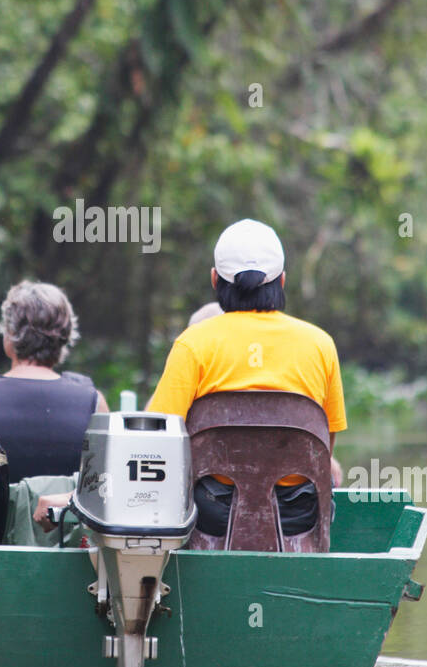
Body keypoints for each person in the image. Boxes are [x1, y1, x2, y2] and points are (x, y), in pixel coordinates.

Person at [146, 218, 346, 540]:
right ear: (282, 281)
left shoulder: (193, 344)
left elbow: (158, 439)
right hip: (297, 517)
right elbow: (324, 446)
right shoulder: (320, 344)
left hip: (211, 516)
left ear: (215, 280)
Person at [0, 280, 109, 481]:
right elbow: (106, 485)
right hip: (65, 513)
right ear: (65, 337)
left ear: (10, 334)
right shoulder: (94, 403)